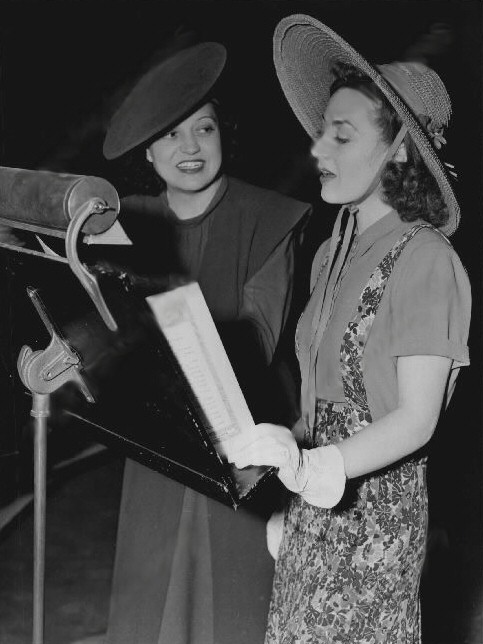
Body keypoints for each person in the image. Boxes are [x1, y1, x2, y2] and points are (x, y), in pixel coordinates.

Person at [226, 15, 471, 643]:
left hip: (376, 525)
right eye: (320, 133)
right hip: (315, 505)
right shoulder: (333, 247)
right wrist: (289, 453)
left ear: (399, 152)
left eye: (340, 135)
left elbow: (417, 418)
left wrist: (317, 467)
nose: (316, 149)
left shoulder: (426, 260)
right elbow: (323, 398)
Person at [86, 41, 311, 644]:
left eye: (203, 129)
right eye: (171, 136)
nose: (190, 148)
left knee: (230, 606)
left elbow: (258, 341)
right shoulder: (121, 224)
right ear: (149, 154)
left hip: (241, 446)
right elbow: (97, 332)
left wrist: (159, 343)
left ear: (223, 134)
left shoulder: (268, 217)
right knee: (150, 607)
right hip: (157, 443)